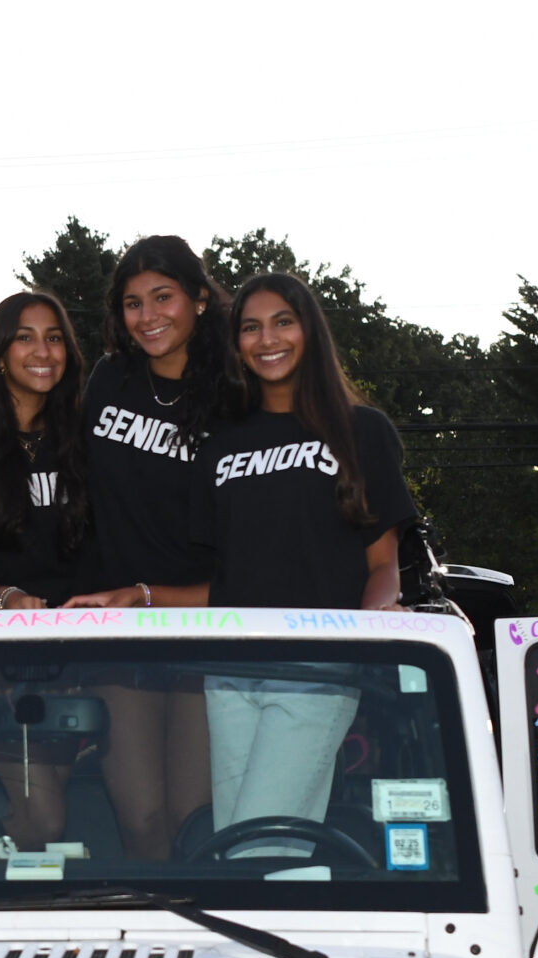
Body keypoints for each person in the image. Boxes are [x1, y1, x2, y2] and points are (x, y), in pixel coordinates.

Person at [196, 272, 417, 842]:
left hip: (315, 668)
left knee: (260, 837)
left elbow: (383, 563)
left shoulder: (361, 429)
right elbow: (214, 566)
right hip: (228, 666)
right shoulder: (220, 437)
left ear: (310, 331)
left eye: (283, 322)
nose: (267, 339)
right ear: (236, 343)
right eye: (250, 328)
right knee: (239, 838)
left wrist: (374, 623)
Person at [56, 236, 232, 859]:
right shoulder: (111, 377)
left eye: (163, 297)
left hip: (198, 627)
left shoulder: (234, 393)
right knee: (140, 815)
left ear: (200, 299)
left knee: (191, 819)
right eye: (133, 303)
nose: (148, 315)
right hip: (117, 631)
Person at [0, 290, 92, 848]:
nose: (43, 351)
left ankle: (0, 875)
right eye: (25, 337)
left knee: (49, 818)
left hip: (77, 660)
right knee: (46, 819)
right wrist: (3, 596)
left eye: (55, 337)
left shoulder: (84, 440)